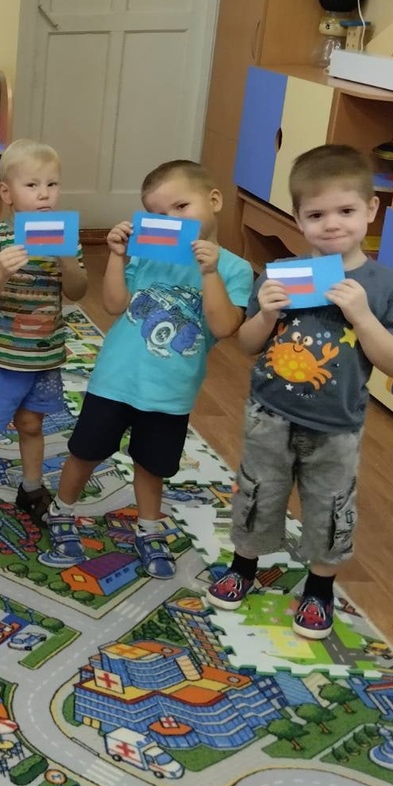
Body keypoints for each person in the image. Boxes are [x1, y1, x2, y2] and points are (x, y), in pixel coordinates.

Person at [207, 145, 393, 640]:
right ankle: (243, 566)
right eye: (316, 215)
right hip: (269, 414)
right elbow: (247, 345)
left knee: (330, 506)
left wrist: (362, 316)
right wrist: (266, 313)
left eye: (346, 211)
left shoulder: (388, 286)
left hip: (337, 426)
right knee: (258, 492)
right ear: (299, 219)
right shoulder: (281, 273)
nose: (332, 224)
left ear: (371, 210)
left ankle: (319, 590)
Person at [45, 160, 253, 577]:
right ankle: (61, 509)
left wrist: (209, 272)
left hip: (171, 392)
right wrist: (117, 257)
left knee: (153, 463)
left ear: (214, 200)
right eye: (158, 214)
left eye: (181, 206)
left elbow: (223, 326)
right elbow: (113, 304)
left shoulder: (236, 269)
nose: (171, 220)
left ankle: (149, 525)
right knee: (85, 452)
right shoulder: (147, 253)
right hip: (115, 380)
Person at [0, 141, 88, 537]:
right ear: (7, 192)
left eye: (52, 184)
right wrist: (1, 272)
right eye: (32, 185)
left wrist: (68, 261)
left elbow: (78, 292)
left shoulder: (67, 237)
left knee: (32, 425)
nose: (44, 194)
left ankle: (31, 487)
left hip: (44, 358)